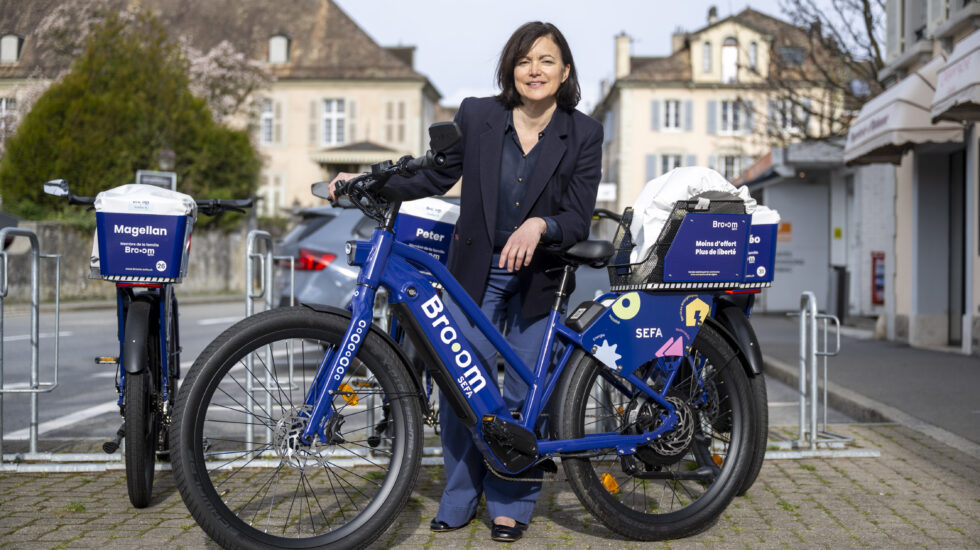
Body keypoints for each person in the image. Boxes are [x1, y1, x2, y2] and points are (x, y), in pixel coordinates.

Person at [328, 21, 602, 543]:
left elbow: (578, 217)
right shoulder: (479, 114)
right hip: (474, 275)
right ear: (510, 69)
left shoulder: (582, 131)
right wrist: (364, 181)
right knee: (462, 387)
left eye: (547, 60)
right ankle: (458, 496)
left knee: (524, 396)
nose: (535, 70)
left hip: (539, 279)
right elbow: (433, 175)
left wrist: (541, 224)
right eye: (525, 60)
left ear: (565, 71)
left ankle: (511, 504)